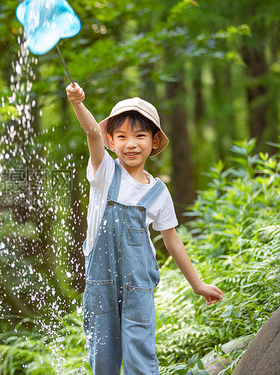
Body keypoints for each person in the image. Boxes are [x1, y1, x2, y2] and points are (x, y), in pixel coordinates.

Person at [66, 82, 223, 375]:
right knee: (103, 357)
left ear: (154, 142)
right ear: (111, 142)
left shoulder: (159, 192)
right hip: (101, 284)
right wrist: (77, 103)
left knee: (140, 354)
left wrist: (197, 284)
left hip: (139, 285)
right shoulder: (104, 172)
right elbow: (91, 132)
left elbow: (172, 241)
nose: (131, 143)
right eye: (122, 136)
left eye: (140, 136)